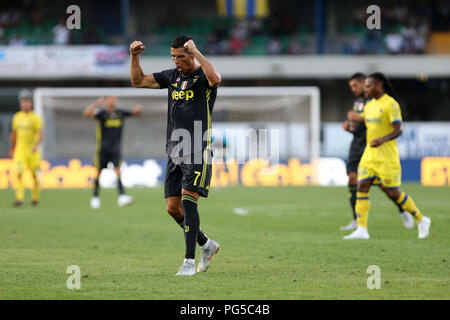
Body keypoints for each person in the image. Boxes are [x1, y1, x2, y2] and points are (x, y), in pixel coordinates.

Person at [129, 35, 221, 276]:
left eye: (181, 56)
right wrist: (135, 56)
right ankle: (206, 244)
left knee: (188, 200)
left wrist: (198, 51)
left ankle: (189, 262)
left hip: (197, 147)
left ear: (191, 54)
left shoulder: (203, 76)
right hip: (175, 150)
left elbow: (216, 78)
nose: (177, 61)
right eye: (174, 57)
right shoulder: (172, 77)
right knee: (172, 208)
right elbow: (138, 81)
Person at [343, 72, 431, 240]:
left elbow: (398, 129)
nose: (366, 89)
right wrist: (352, 124)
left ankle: (421, 219)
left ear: (379, 86)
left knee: (393, 193)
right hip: (369, 155)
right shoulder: (369, 106)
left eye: (369, 86)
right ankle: (362, 229)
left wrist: (382, 140)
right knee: (362, 186)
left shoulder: (391, 104)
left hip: (386, 156)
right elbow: (366, 121)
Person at [83, 96, 142, 209]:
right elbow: (86, 113)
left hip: (115, 149)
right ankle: (95, 197)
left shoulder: (120, 113)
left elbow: (134, 113)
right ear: (106, 102)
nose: (113, 101)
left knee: (118, 172)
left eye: (114, 99)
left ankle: (122, 197)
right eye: (110, 99)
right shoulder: (101, 114)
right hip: (102, 149)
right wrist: (96, 103)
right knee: (98, 173)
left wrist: (138, 110)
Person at [9, 89, 43, 206]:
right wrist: (12, 148)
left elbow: (40, 133)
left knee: (35, 176)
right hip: (20, 151)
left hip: (32, 151)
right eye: (23, 102)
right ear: (20, 103)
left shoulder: (35, 118)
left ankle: (35, 198)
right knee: (18, 173)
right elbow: (13, 134)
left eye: (27, 101)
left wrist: (36, 145)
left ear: (31, 103)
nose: (25, 104)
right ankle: (20, 198)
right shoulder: (17, 117)